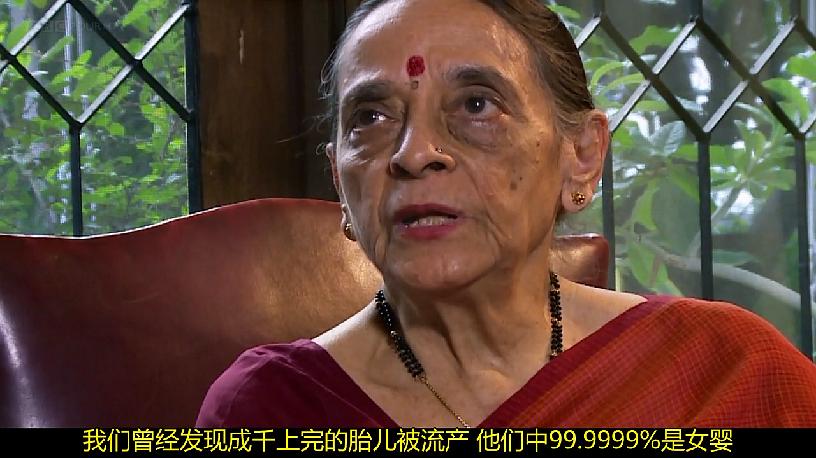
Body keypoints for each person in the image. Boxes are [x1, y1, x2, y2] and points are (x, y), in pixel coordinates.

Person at [196, 0, 816, 427]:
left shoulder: (724, 372)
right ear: (340, 179)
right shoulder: (270, 410)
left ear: (581, 157)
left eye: (476, 105)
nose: (414, 154)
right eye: (372, 117)